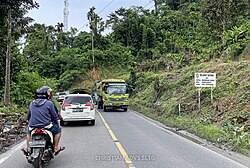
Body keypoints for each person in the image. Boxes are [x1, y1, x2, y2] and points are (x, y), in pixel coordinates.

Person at [22, 86, 65, 156]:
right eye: (49, 92)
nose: (50, 94)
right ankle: (56, 147)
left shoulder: (32, 103)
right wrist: (57, 124)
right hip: (46, 126)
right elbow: (54, 116)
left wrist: (29, 123)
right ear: (45, 94)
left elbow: (29, 116)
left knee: (28, 131)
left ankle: (27, 147)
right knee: (58, 130)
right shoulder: (49, 103)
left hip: (33, 126)